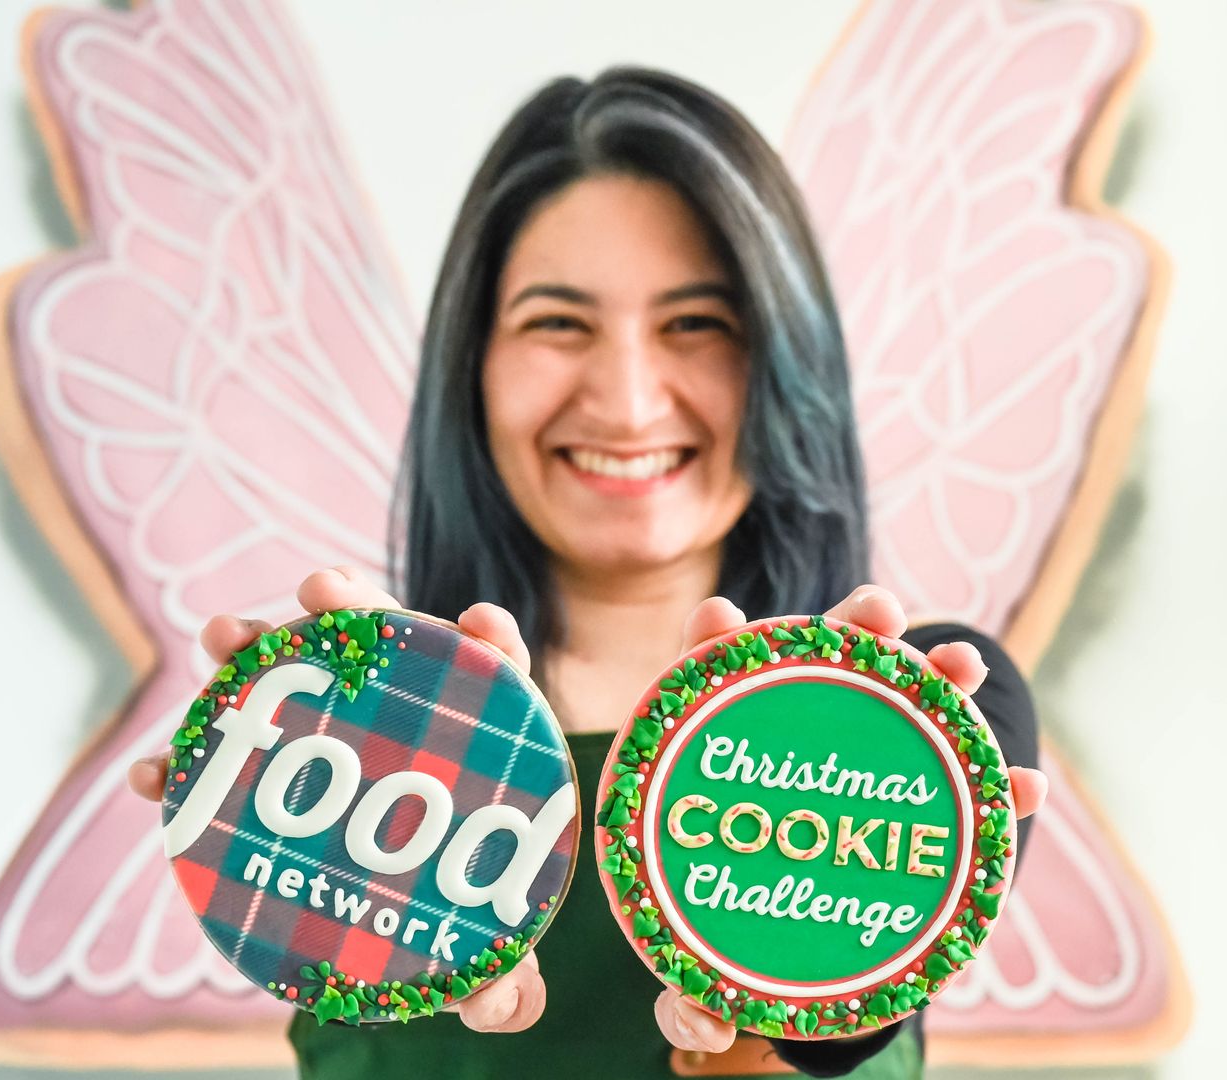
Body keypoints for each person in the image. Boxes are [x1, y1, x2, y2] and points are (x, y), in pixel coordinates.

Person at [128, 67, 1047, 1079]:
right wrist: (319, 795)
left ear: (789, 362)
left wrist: (758, 1028)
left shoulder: (919, 723)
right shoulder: (343, 739)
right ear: (472, 366)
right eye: (558, 323)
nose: (626, 401)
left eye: (698, 324)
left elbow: (824, 1047)